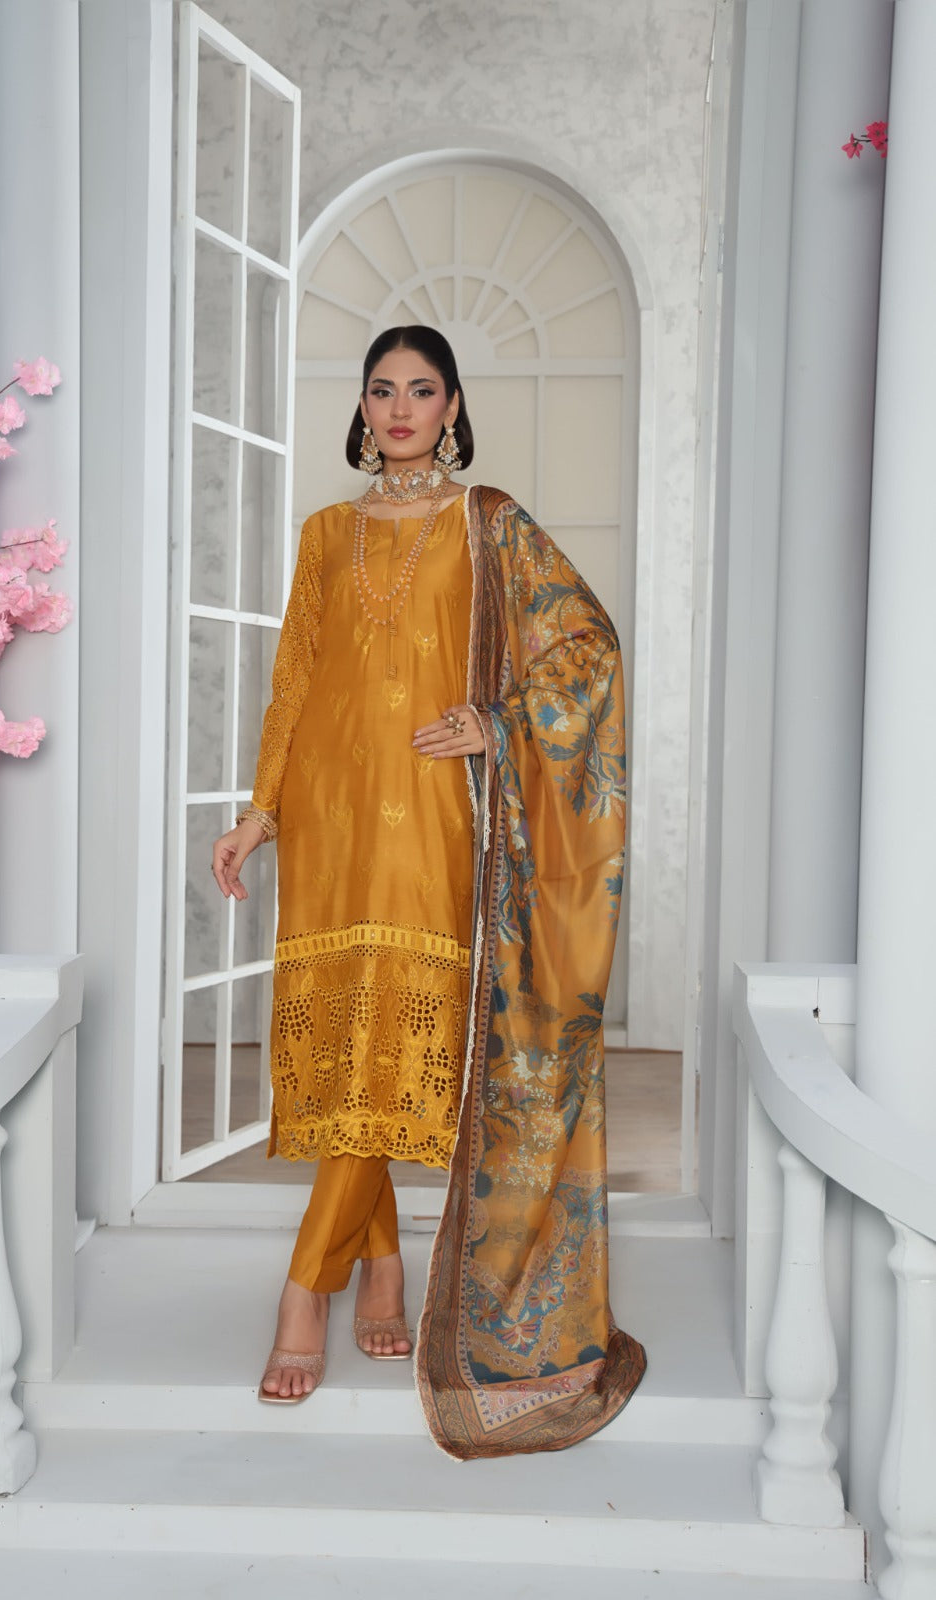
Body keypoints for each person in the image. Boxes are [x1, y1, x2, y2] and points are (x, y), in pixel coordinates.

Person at [211, 325, 645, 1460]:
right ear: (361, 407)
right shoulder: (325, 532)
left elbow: (585, 646)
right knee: (342, 1046)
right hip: (329, 819)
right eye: (380, 389)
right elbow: (294, 680)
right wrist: (261, 811)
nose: (398, 407)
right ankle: (383, 1264)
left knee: (388, 1045)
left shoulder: (484, 523)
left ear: (451, 406)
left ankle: (305, 1287)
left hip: (434, 819)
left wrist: (498, 722)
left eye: (420, 389)